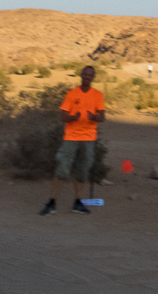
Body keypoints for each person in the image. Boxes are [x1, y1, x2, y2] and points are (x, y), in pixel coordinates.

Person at [39, 66, 105, 216]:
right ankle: (51, 202)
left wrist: (93, 117)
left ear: (93, 77)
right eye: (85, 74)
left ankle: (77, 202)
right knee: (63, 169)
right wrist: (73, 117)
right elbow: (63, 116)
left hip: (88, 139)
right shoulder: (71, 94)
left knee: (82, 171)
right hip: (71, 137)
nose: (87, 77)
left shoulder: (97, 95)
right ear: (81, 75)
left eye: (90, 75)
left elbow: (102, 117)